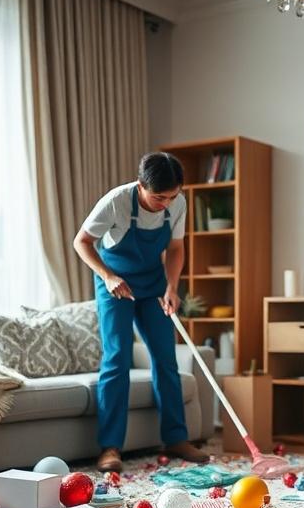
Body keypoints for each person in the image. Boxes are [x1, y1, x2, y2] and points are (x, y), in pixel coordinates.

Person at [73, 152, 208, 472]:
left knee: (165, 358)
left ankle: (176, 438)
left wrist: (172, 287)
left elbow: (175, 248)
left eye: (171, 197)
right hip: (115, 284)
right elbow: (82, 242)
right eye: (158, 197)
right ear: (140, 185)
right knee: (117, 358)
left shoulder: (177, 203)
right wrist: (108, 276)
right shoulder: (116, 202)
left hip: (154, 286)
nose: (165, 203)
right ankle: (110, 447)